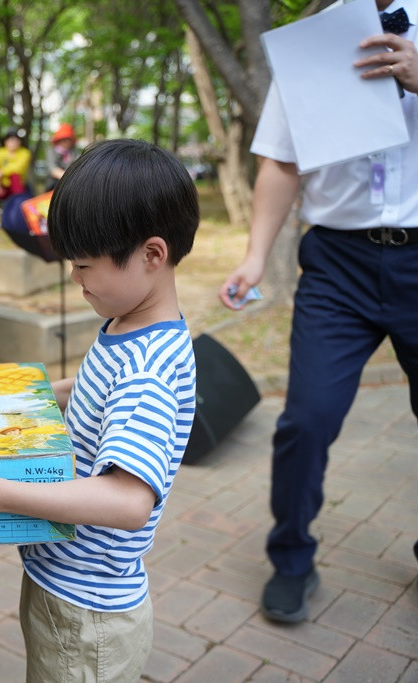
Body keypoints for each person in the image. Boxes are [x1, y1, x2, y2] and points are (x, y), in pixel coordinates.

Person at [0, 139, 199, 682]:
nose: (75, 280)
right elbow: (92, 389)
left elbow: (129, 500)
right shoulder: (130, 325)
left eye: (83, 265)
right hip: (66, 589)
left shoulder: (148, 369)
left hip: (86, 612)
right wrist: (1, 393)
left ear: (152, 255)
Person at [219, 0, 418, 624]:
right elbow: (281, 161)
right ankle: (291, 560)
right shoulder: (310, 41)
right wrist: (255, 257)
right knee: (305, 420)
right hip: (337, 264)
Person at [0, 128, 32, 214]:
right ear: (6, 142)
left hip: (17, 185)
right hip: (1, 185)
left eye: (16, 140)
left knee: (15, 175)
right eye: (11, 140)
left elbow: (18, 167)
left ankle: (18, 201)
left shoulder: (25, 153)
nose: (13, 142)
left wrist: (0, 173)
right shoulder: (0, 152)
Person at [44, 122, 78, 191]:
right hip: (54, 185)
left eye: (68, 140)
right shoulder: (51, 151)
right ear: (58, 140)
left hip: (71, 184)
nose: (66, 142)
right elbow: (52, 168)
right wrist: (68, 176)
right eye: (64, 140)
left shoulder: (73, 153)